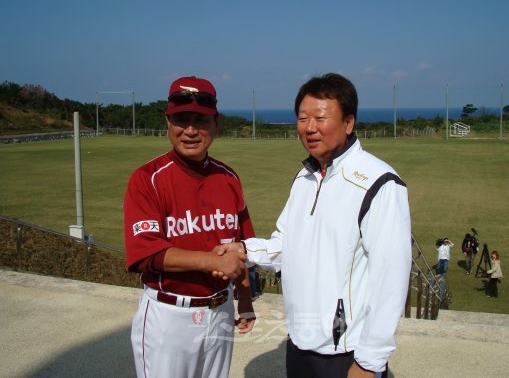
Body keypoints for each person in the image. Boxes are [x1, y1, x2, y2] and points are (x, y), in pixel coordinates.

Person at [218, 73, 411, 377]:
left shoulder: (379, 183)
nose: (309, 128)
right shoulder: (305, 177)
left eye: (320, 118)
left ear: (348, 123)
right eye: (302, 118)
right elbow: (286, 244)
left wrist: (369, 363)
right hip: (300, 343)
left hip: (345, 351)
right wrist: (244, 249)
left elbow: (392, 279)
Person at [124, 76, 256, 378]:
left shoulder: (228, 178)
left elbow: (241, 246)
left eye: (201, 120)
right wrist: (212, 260)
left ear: (217, 123)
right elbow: (146, 253)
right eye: (182, 120)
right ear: (168, 122)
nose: (191, 130)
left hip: (221, 310)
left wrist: (245, 299)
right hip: (170, 316)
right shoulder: (147, 179)